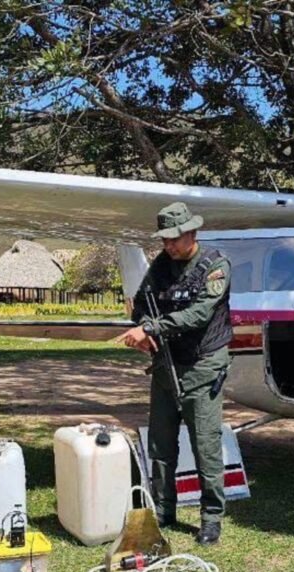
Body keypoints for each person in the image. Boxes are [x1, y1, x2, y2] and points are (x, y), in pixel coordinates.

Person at [117, 202, 233, 545]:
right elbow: (141, 303)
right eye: (165, 239)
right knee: (160, 441)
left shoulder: (215, 265)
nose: (168, 245)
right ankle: (165, 509)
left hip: (203, 362)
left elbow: (200, 314)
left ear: (192, 233)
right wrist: (142, 329)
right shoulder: (162, 264)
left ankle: (211, 517)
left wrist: (152, 328)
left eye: (174, 238)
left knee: (205, 444)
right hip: (167, 363)